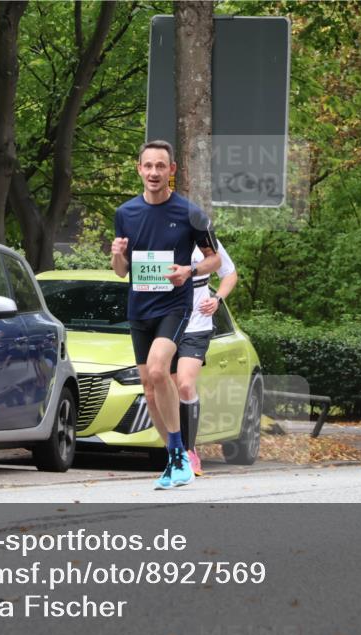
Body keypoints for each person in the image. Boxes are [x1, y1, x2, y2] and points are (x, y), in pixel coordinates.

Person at [111, 139, 221, 489]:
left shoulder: (189, 212)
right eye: (148, 166)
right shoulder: (125, 214)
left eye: (161, 166)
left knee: (160, 369)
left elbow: (214, 259)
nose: (154, 172)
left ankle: (179, 455)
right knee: (149, 385)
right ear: (139, 169)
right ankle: (175, 457)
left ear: (171, 170)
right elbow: (119, 271)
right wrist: (117, 254)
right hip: (139, 307)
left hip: (174, 305)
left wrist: (189, 271)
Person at [166, 240, 237, 476]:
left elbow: (230, 274)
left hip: (197, 325)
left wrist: (217, 299)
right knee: (172, 387)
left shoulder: (206, 243)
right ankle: (175, 449)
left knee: (185, 384)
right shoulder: (159, 236)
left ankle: (189, 450)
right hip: (165, 324)